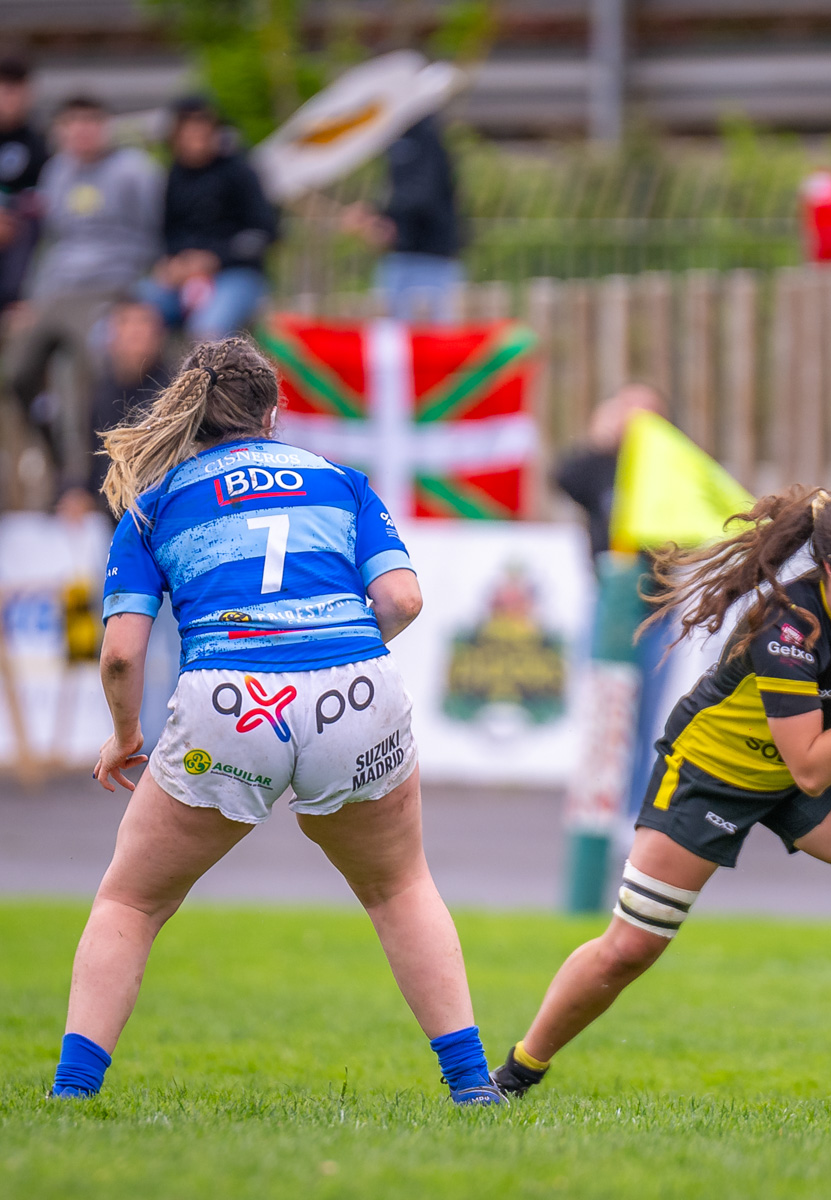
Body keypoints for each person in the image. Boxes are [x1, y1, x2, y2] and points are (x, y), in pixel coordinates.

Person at [57, 337, 502, 1104]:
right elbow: (402, 599)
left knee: (131, 900)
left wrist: (127, 735)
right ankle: (472, 1086)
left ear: (191, 412)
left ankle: (72, 1092)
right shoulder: (341, 482)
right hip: (356, 694)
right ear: (272, 410)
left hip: (228, 704)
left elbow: (122, 655)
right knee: (399, 888)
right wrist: (337, 657)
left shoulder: (152, 502)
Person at [488, 488, 831, 1099]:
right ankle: (517, 1072)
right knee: (630, 947)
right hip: (714, 774)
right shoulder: (788, 627)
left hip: (804, 766)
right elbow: (810, 767)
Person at [6, 94, 161, 490]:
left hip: (109, 287)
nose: (82, 131)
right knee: (13, 371)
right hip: (56, 290)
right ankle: (50, 457)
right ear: (62, 130)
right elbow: (50, 241)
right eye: (72, 122)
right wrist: (31, 297)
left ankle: (82, 479)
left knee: (80, 368)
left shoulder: (135, 170)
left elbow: (152, 235)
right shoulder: (57, 170)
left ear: (106, 125)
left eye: (90, 121)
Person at [138, 96, 278, 340]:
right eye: (188, 128)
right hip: (182, 279)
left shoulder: (240, 171)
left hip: (236, 274)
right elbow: (168, 232)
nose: (196, 135)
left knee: (207, 331)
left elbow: (266, 231)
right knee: (129, 320)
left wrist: (214, 258)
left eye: (203, 126)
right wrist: (175, 264)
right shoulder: (174, 176)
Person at [343, 115, 461, 324]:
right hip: (401, 252)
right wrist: (380, 219)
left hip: (431, 254)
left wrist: (376, 213)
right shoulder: (396, 136)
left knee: (430, 332)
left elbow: (423, 193)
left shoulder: (425, 135)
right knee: (393, 329)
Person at [554, 382, 667, 562]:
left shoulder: (669, 463)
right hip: (610, 568)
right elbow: (565, 479)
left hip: (662, 571)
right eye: (626, 408)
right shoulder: (603, 463)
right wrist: (600, 439)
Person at [83, 299, 169, 496]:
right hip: (107, 507)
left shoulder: (176, 390)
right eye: (125, 323)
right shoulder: (100, 392)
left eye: (144, 322)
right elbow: (89, 459)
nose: (135, 332)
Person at [0, 57, 49, 312]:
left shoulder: (38, 144)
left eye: (18, 91)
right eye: (6, 91)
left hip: (21, 229)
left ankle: (16, 304)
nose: (12, 99)